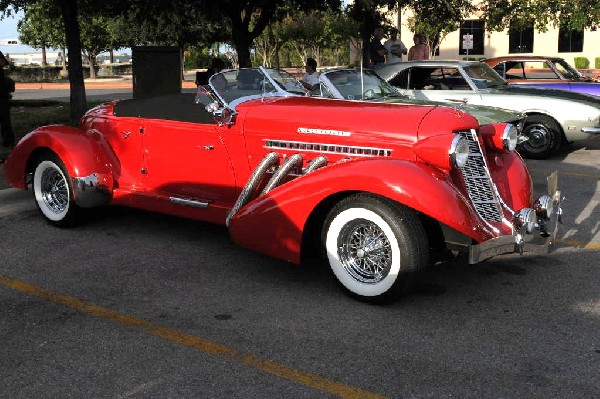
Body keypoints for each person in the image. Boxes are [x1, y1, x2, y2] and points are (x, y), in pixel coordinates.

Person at [0, 50, 15, 149]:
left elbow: (4, 62)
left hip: (2, 97)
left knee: (5, 122)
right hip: (2, 97)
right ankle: (8, 142)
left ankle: (8, 142)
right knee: (5, 121)